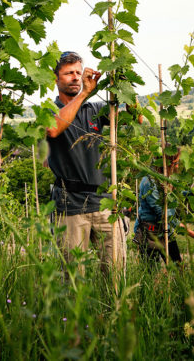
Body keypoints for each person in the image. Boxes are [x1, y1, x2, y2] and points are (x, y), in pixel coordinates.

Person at [45, 51, 124, 274]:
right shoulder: (49, 111)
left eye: (79, 72)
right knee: (73, 278)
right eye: (69, 73)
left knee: (116, 272)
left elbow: (134, 118)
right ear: (56, 78)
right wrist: (84, 94)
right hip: (70, 205)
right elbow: (53, 130)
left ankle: (114, 310)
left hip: (105, 203)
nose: (76, 77)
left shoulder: (97, 110)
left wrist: (122, 85)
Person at [133, 151, 183, 265]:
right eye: (176, 162)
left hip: (166, 230)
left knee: (178, 266)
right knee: (151, 270)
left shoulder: (168, 179)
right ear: (167, 163)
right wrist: (190, 233)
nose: (177, 166)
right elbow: (163, 212)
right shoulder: (149, 182)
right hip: (150, 231)